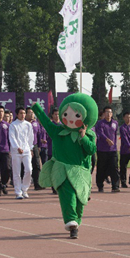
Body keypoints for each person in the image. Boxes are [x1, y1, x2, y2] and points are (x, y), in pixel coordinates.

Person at [31, 93, 98, 239]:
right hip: (62, 170)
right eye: (66, 114)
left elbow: (91, 150)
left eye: (77, 115)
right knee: (68, 197)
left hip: (81, 172)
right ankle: (71, 223)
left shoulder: (89, 135)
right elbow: (46, 122)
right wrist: (36, 108)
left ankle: (76, 222)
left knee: (80, 201)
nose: (71, 119)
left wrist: (83, 137)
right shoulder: (58, 132)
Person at [9, 106, 34, 199]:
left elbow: (31, 137)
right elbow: (12, 137)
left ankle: (24, 189)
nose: (23, 115)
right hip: (16, 152)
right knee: (17, 172)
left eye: (24, 113)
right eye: (21, 113)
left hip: (26, 150)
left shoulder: (28, 125)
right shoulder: (13, 125)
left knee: (29, 170)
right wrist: (17, 147)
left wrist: (30, 148)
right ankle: (18, 192)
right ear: (17, 114)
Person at [95, 106, 120, 192]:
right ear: (104, 113)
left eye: (110, 112)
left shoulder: (115, 123)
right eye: (107, 112)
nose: (108, 114)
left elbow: (115, 135)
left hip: (113, 150)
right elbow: (100, 133)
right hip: (102, 150)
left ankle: (115, 186)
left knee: (114, 167)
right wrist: (107, 140)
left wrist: (113, 144)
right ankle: (100, 185)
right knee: (101, 168)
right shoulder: (100, 123)